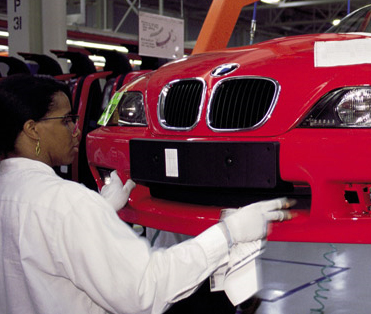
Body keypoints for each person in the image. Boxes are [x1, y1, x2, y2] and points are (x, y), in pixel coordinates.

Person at [0, 74, 293, 314]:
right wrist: (228, 234)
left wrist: (99, 211)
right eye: (66, 120)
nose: (76, 130)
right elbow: (145, 289)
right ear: (32, 130)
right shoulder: (67, 203)